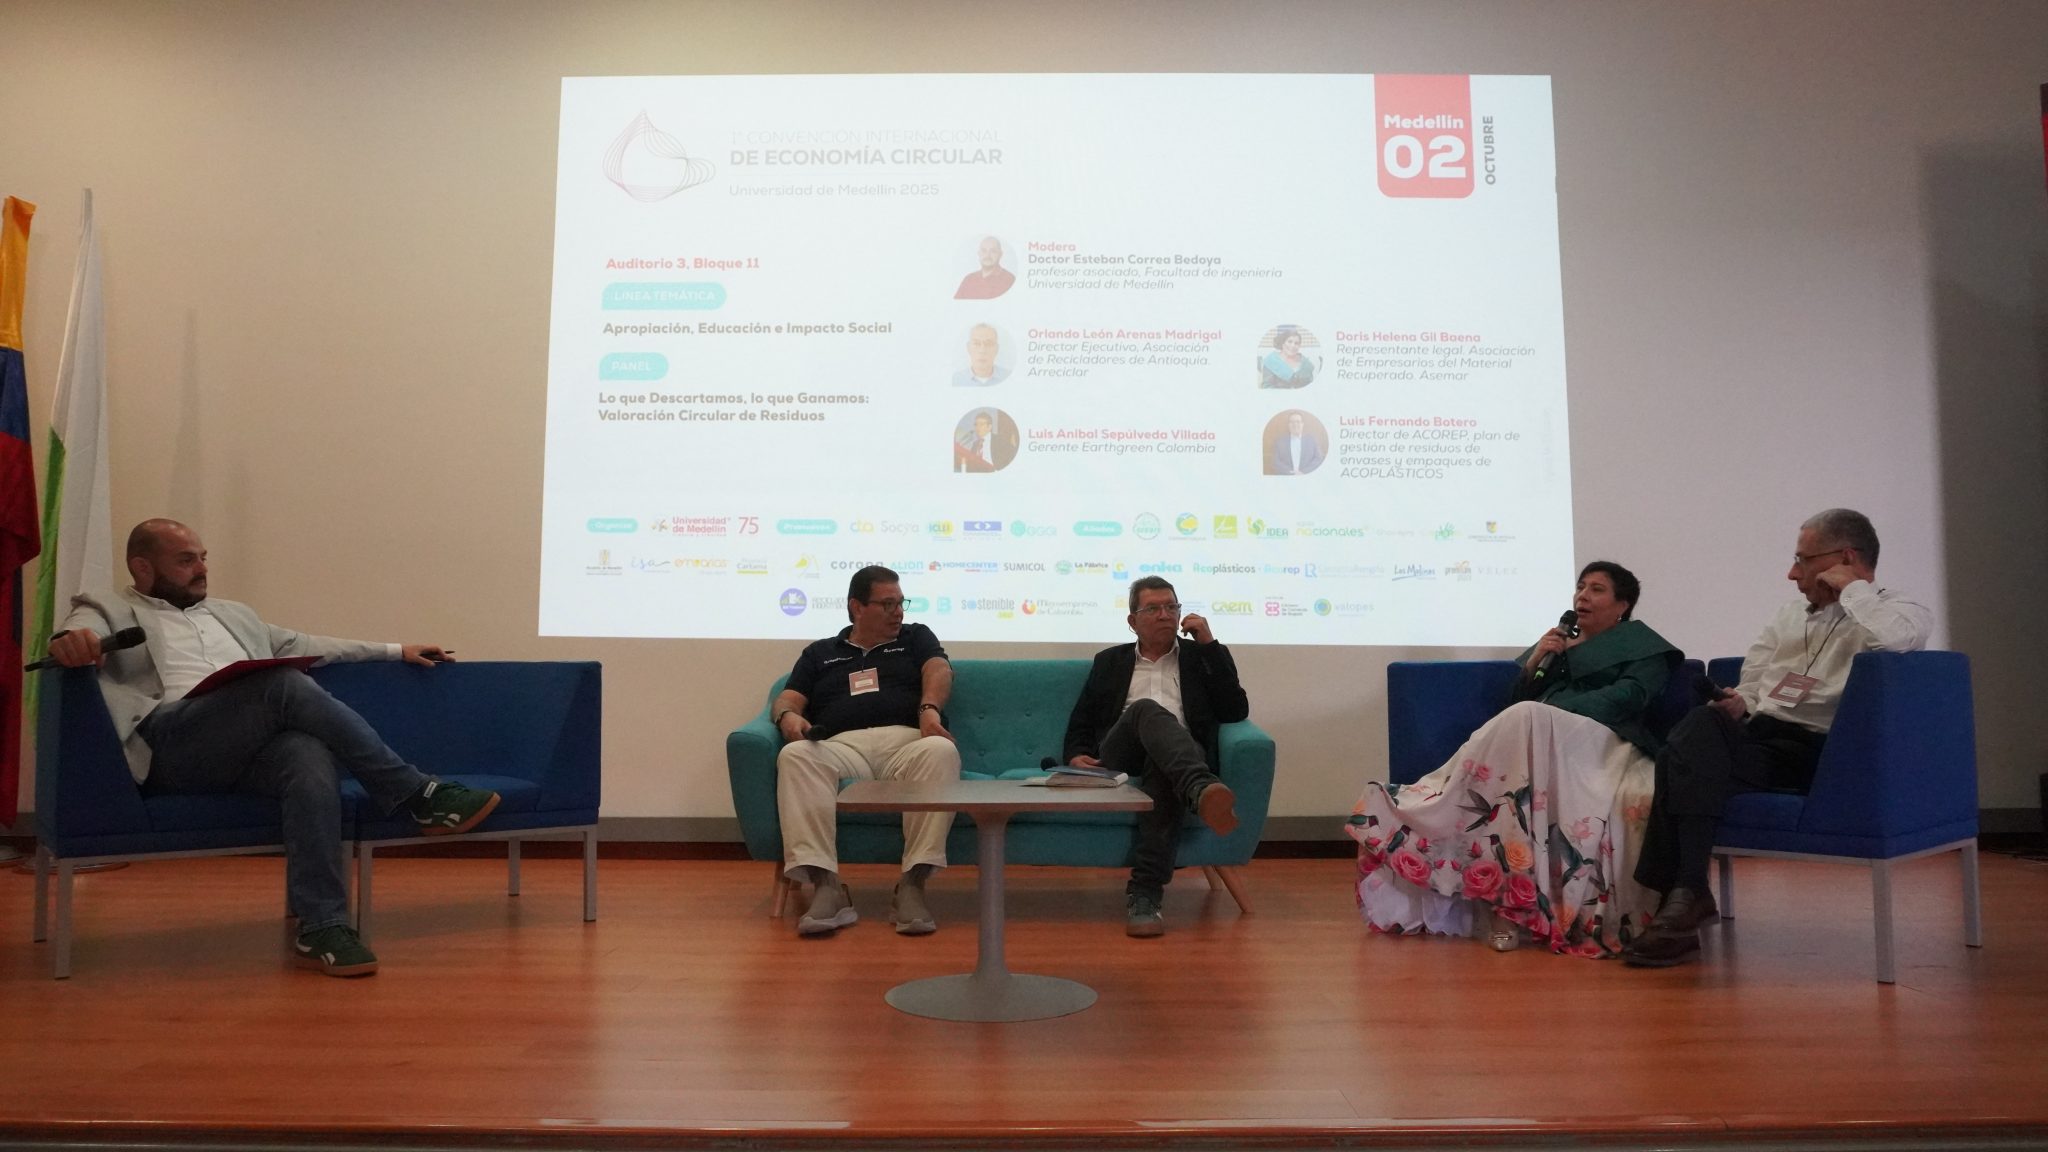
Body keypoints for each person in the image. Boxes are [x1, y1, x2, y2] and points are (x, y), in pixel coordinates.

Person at [42, 519, 498, 978]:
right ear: (143, 567)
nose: (201, 569)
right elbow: (75, 633)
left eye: (203, 558)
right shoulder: (108, 608)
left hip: (240, 750)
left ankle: (322, 924)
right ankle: (415, 793)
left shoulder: (233, 615)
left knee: (305, 753)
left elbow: (312, 645)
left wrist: (395, 650)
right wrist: (73, 642)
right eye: (185, 560)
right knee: (281, 682)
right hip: (171, 747)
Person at [1624, 509, 1931, 968]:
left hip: (1820, 753)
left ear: (1845, 558)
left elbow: (1896, 642)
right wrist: (1741, 703)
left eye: (1803, 560)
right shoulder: (1789, 616)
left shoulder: (1898, 609)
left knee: (1681, 756)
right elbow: (1755, 682)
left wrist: (1853, 591)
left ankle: (1679, 899)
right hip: (1762, 740)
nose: (1792, 573)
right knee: (1697, 730)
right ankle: (1687, 894)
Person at [1347, 561, 1680, 957]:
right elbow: (1516, 702)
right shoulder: (1559, 645)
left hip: (1605, 742)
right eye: (1580, 587)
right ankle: (1502, 902)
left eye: (1596, 589)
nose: (1583, 596)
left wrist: (1556, 712)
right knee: (1512, 774)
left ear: (1623, 605)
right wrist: (1537, 661)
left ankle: (1464, 820)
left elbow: (1632, 696)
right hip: (1539, 741)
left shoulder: (1645, 647)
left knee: (1527, 716)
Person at [771, 565, 960, 937]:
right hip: (842, 747)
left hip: (906, 744)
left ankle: (912, 885)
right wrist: (787, 717)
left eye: (901, 602)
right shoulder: (821, 653)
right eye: (887, 604)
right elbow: (788, 698)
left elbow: (939, 670)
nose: (898, 612)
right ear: (856, 607)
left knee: (941, 750)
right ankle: (827, 886)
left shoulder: (915, 637)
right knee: (794, 756)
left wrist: (929, 709)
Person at [1061, 576, 1250, 937]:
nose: (1165, 615)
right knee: (1146, 709)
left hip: (1179, 755)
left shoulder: (1201, 657)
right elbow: (1082, 719)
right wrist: (1075, 755)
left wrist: (1210, 646)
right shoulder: (1110, 661)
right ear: (1132, 620)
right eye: (1153, 608)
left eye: (1171, 607)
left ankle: (1145, 897)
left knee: (1164, 767)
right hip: (1122, 752)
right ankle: (1200, 788)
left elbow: (1235, 711)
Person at [953, 236, 1016, 300]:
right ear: (979, 254)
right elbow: (956, 304)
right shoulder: (968, 279)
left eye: (993, 251)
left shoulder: (1009, 280)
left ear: (1000, 254)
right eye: (984, 251)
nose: (987, 255)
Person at [1264, 411, 1324, 475]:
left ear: (1302, 424)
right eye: (1292, 422)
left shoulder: (1311, 440)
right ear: (1288, 425)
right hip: (1286, 477)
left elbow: (1318, 458)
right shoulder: (1280, 442)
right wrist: (1290, 472)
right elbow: (1275, 461)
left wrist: (1304, 472)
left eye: (1298, 422)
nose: (1295, 424)